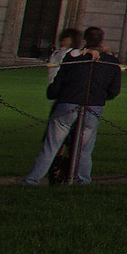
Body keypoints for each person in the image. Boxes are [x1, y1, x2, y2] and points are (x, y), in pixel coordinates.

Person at [24, 27, 122, 185]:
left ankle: (31, 180)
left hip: (68, 103)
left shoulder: (72, 58)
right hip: (93, 107)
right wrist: (98, 97)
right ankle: (82, 180)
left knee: (51, 147)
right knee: (84, 150)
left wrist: (53, 93)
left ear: (85, 40)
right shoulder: (112, 62)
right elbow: (114, 90)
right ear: (101, 41)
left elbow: (58, 84)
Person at [40, 29, 86, 186]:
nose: (63, 42)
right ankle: (59, 168)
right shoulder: (58, 54)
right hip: (62, 96)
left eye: (66, 40)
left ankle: (61, 169)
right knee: (63, 137)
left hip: (65, 97)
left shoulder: (72, 54)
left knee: (66, 137)